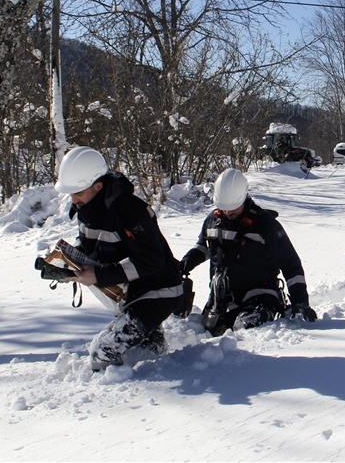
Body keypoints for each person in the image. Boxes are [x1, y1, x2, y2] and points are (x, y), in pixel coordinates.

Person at [54, 146, 184, 371]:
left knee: (103, 352)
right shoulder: (86, 209)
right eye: (71, 193)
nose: (74, 200)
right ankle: (154, 343)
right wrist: (69, 261)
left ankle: (120, 389)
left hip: (159, 293)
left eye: (78, 193)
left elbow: (152, 259)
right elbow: (87, 244)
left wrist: (98, 275)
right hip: (129, 296)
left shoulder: (129, 211)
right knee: (148, 351)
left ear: (98, 186)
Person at [180, 168, 316, 336]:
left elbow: (290, 262)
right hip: (223, 300)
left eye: (233, 207)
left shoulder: (265, 224)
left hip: (261, 297)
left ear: (244, 196)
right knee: (203, 335)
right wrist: (188, 261)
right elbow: (204, 246)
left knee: (245, 331)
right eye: (224, 208)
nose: (228, 212)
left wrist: (300, 300)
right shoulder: (212, 220)